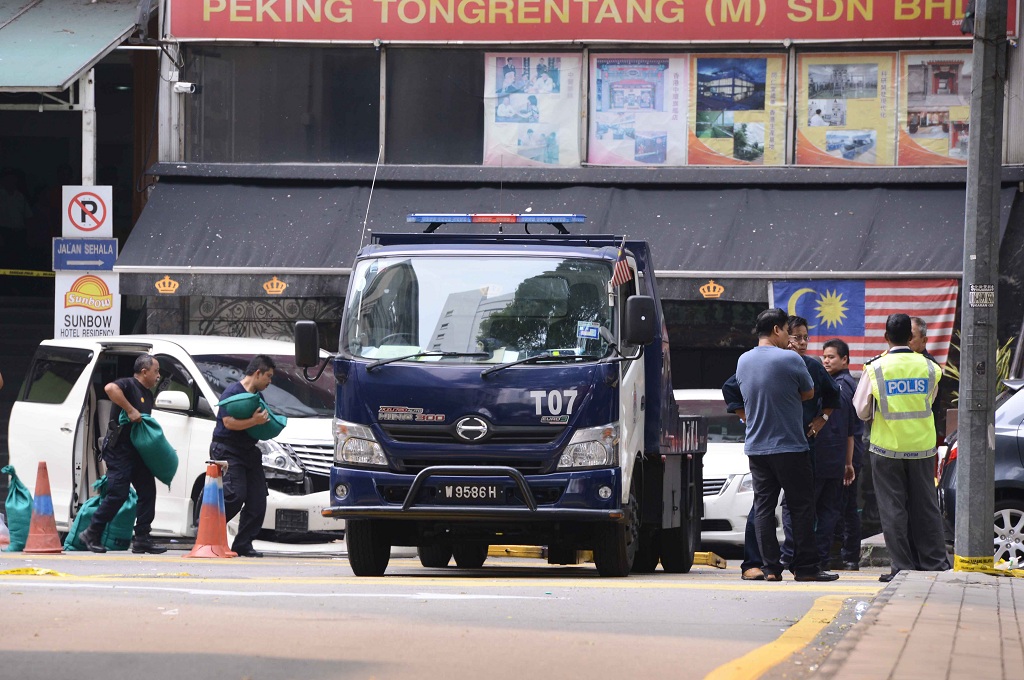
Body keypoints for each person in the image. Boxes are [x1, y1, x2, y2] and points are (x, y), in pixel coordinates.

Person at [734, 308, 838, 582]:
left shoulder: (743, 360)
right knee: (801, 506)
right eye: (787, 332)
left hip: (756, 447)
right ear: (778, 330)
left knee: (764, 507)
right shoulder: (790, 359)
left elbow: (741, 392)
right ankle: (805, 568)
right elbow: (809, 392)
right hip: (790, 446)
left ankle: (770, 568)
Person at [854, 313, 950, 582]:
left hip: (886, 448)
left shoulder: (875, 368)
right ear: (911, 337)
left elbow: (861, 410)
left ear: (885, 338)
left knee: (893, 508)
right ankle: (934, 562)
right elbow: (929, 402)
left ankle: (903, 567)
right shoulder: (931, 368)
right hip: (922, 447)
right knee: (926, 506)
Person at [78, 355, 167, 555]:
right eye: (156, 371)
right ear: (144, 372)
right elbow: (110, 389)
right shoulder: (128, 384)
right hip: (120, 451)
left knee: (147, 492)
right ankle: (91, 533)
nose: (158, 375)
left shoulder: (148, 394)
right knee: (118, 493)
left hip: (137, 452)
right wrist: (130, 409)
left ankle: (142, 538)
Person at [209, 355, 276, 558]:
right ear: (258, 373)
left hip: (249, 451)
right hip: (227, 449)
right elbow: (229, 423)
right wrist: (255, 421)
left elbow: (258, 423)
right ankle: (208, 530)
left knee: (258, 501)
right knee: (235, 495)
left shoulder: (258, 397)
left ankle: (243, 543)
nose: (270, 382)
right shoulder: (232, 393)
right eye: (269, 376)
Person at [820, 338, 863, 570]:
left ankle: (845, 556)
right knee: (844, 507)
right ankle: (843, 556)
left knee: (843, 507)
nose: (826, 360)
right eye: (824, 356)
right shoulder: (839, 381)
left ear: (845, 359)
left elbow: (845, 426)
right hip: (848, 451)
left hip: (848, 453)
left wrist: (848, 461)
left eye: (831, 357)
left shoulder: (841, 385)